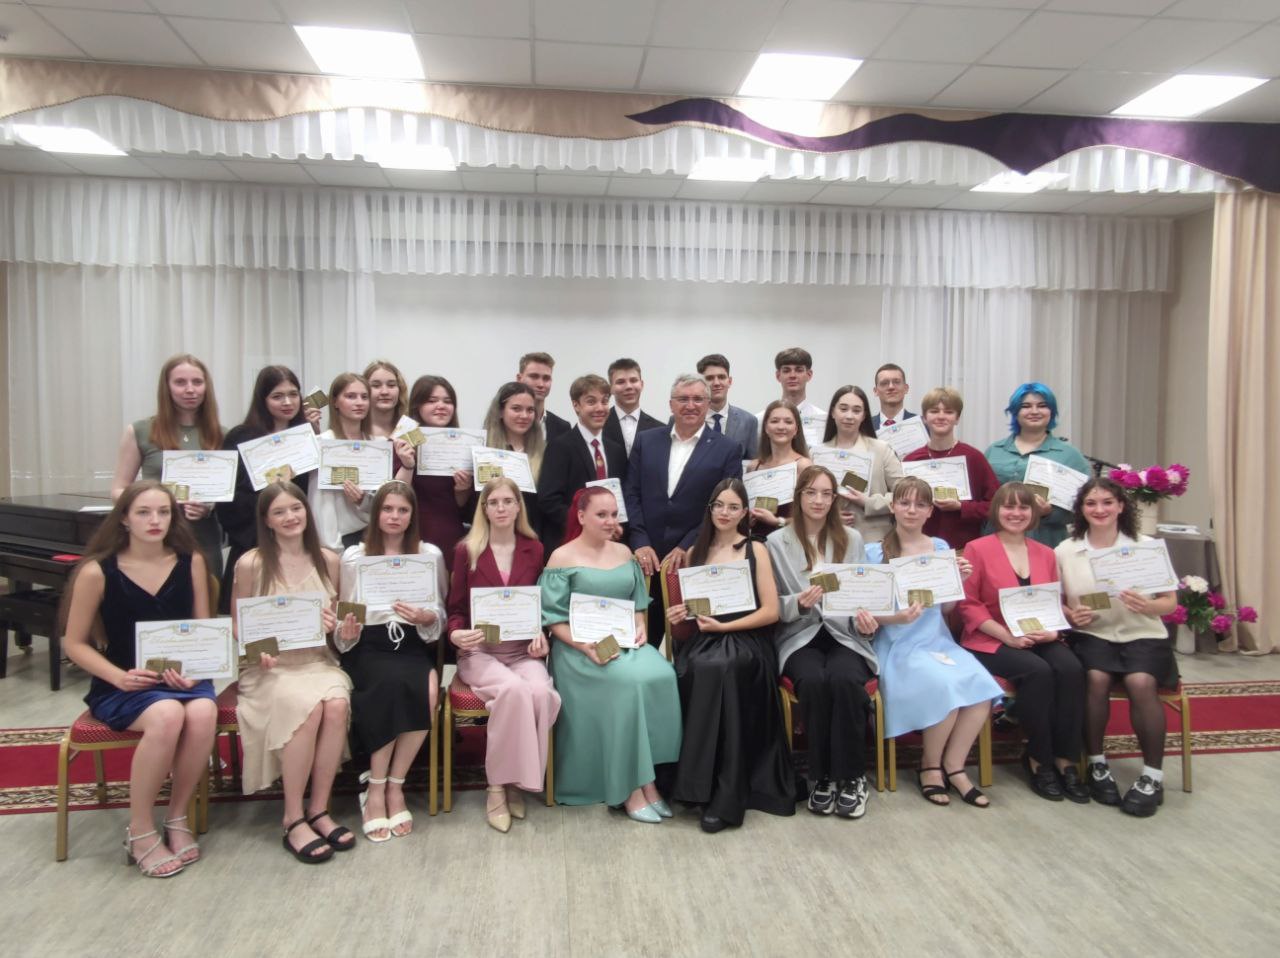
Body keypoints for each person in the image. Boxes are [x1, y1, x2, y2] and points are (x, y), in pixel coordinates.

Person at [62, 481, 217, 877]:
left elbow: (203, 631)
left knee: (202, 712)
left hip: (183, 676)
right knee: (167, 715)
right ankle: (141, 830)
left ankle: (177, 817)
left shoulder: (191, 561)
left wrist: (195, 672)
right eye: (144, 512)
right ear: (124, 519)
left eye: (163, 512)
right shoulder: (97, 571)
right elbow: (73, 643)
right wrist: (118, 677)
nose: (155, 520)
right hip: (123, 681)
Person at [539, 486, 681, 822]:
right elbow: (553, 619)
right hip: (578, 650)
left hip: (623, 641)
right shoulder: (561, 557)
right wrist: (583, 646)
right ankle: (630, 788)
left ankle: (648, 779)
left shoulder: (623, 552)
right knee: (627, 684)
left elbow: (638, 603)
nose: (610, 521)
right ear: (581, 516)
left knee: (663, 674)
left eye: (614, 514)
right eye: (601, 515)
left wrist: (640, 624)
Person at [231, 482, 355, 863]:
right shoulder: (251, 563)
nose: (290, 517)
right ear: (266, 521)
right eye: (279, 512)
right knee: (308, 707)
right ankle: (293, 817)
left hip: (318, 661)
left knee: (336, 703)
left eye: (296, 508)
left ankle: (319, 809)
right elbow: (237, 625)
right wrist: (260, 652)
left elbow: (344, 625)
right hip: (271, 669)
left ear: (307, 512)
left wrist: (341, 627)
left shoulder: (329, 560)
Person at [863, 478, 1001, 808]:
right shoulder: (873, 552)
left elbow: (948, 609)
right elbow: (868, 612)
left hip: (937, 642)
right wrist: (897, 618)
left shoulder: (940, 548)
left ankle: (954, 766)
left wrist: (959, 581)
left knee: (982, 686)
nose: (912, 510)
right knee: (946, 687)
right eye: (905, 503)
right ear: (893, 507)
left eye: (920, 504)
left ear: (930, 511)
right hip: (897, 644)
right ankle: (930, 766)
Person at [666, 479, 794, 833]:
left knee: (722, 668)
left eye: (733, 507)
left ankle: (725, 794)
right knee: (695, 668)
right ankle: (696, 786)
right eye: (719, 505)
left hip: (748, 638)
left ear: (745, 513)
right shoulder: (696, 552)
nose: (725, 512)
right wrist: (679, 615)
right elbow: (691, 615)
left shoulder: (756, 549)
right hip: (705, 638)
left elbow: (771, 612)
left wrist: (725, 628)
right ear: (710, 509)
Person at [1057, 477, 1178, 817]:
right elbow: (1056, 601)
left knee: (1141, 682)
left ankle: (1152, 776)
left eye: (1107, 502)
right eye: (1091, 503)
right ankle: (1097, 764)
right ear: (1081, 509)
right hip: (1093, 634)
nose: (1100, 509)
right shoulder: (1066, 550)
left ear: (1121, 506)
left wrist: (1149, 606)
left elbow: (1169, 602)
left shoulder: (1146, 546)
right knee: (1095, 678)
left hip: (1143, 633)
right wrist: (1070, 615)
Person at [959, 482, 1086, 802]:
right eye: (1008, 506)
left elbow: (1054, 602)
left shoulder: (1045, 553)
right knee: (1037, 672)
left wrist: (1055, 633)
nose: (1016, 513)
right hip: (991, 637)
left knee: (1071, 669)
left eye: (1023, 507)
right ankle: (1038, 758)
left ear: (1033, 513)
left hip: (1040, 633)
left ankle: (1065, 758)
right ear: (996, 511)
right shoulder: (977, 548)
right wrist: (1007, 637)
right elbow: (969, 605)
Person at [447, 478, 561, 833]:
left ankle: (517, 781)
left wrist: (542, 635)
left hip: (522, 651)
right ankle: (497, 786)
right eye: (493, 502)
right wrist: (456, 633)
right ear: (483, 508)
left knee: (541, 693)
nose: (500, 508)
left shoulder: (535, 549)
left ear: (517, 507)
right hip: (480, 651)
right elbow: (455, 609)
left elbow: (540, 606)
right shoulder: (467, 550)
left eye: (508, 501)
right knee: (512, 690)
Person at [336, 481, 447, 841]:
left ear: (412, 515)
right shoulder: (355, 557)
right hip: (368, 645)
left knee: (428, 691)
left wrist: (427, 618)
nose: (394, 516)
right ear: (376, 513)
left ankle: (394, 785)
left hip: (411, 644)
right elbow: (345, 614)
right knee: (386, 685)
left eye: (402, 510)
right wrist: (346, 631)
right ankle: (375, 789)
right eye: (387, 509)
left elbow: (439, 612)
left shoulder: (429, 554)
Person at [766, 465, 876, 819]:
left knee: (845, 679)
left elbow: (862, 595)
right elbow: (770, 602)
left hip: (845, 634)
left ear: (834, 499)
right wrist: (797, 602)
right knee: (813, 680)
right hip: (801, 634)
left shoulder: (851, 538)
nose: (818, 500)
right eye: (811, 492)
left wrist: (867, 624)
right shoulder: (776, 542)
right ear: (798, 496)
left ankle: (853, 777)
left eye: (826, 494)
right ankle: (823, 776)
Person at [624, 374, 744, 647]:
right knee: (643, 641)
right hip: (645, 560)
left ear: (708, 404)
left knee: (689, 643)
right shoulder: (646, 441)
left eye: (698, 399)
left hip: (695, 558)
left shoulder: (727, 449)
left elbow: (723, 506)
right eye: (683, 399)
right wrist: (640, 541)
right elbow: (631, 493)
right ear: (671, 404)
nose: (690, 405)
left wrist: (689, 543)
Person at [217, 365, 322, 612]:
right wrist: (269, 489)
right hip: (254, 544)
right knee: (257, 618)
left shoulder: (304, 437)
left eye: (293, 394)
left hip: (296, 546)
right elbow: (227, 499)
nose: (287, 402)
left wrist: (315, 436)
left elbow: (313, 493)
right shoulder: (240, 437)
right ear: (262, 400)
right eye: (277, 396)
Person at [110, 354, 225, 580]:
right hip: (155, 541)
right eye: (180, 382)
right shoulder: (140, 431)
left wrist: (209, 507)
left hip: (204, 540)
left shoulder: (223, 435)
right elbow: (118, 490)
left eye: (197, 382)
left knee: (206, 600)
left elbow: (231, 497)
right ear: (167, 387)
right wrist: (151, 506)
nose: (190, 389)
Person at [985, 382, 1091, 548]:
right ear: (1015, 411)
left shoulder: (1070, 455)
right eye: (1026, 406)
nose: (1034, 411)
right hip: (996, 539)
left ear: (1051, 411)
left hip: (1045, 541)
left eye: (1042, 406)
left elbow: (1085, 507)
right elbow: (981, 497)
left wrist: (1049, 513)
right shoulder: (994, 451)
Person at [902, 387, 1000, 552]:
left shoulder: (974, 458)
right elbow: (899, 505)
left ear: (957, 418)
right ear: (924, 418)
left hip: (963, 550)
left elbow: (997, 505)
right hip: (918, 550)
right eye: (934, 411)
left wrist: (962, 507)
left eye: (948, 412)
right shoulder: (911, 460)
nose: (941, 416)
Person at [538, 374, 627, 553]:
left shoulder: (616, 450)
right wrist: (588, 526)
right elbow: (549, 500)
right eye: (591, 402)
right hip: (571, 544)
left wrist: (614, 524)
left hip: (611, 543)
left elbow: (623, 497)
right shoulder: (560, 446)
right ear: (576, 405)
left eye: (604, 401)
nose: (600, 408)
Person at [309, 372, 390, 551]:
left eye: (364, 397)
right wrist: (333, 549)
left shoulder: (380, 445)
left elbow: (386, 500)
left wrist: (364, 500)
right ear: (335, 402)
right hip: (339, 542)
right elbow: (321, 504)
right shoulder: (323, 444)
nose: (359, 403)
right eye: (351, 396)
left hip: (376, 537)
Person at [817, 385, 903, 543]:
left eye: (856, 411)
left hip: (875, 541)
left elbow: (904, 494)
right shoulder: (818, 454)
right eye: (843, 409)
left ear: (864, 416)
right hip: (829, 540)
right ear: (833, 412)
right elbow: (807, 499)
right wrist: (829, 517)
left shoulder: (881, 449)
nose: (849, 416)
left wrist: (869, 503)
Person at [402, 374, 471, 570]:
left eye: (447, 401)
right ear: (417, 406)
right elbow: (396, 492)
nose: (441, 406)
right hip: (411, 534)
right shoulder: (404, 441)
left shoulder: (465, 445)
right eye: (432, 401)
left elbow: (461, 507)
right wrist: (407, 464)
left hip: (451, 534)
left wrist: (462, 489)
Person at [483, 381, 546, 536]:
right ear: (500, 412)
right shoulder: (483, 451)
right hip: (491, 536)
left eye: (530, 410)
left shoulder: (546, 453)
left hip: (532, 536)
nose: (524, 416)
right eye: (516, 409)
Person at [745, 400, 811, 533]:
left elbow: (811, 517)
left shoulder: (803, 466)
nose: (781, 427)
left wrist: (777, 521)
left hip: (790, 540)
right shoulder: (753, 467)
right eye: (775, 421)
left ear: (796, 429)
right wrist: (747, 520)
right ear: (766, 428)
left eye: (788, 422)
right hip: (757, 539)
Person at [757, 347, 826, 448]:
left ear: (809, 375)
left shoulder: (823, 420)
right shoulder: (761, 420)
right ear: (778, 376)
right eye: (786, 370)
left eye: (799, 370)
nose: (792, 375)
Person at [698, 353, 758, 458]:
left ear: (729, 381)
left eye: (721, 377)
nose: (716, 383)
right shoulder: (686, 419)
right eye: (710, 378)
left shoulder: (748, 421)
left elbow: (752, 462)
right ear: (700, 383)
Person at [603, 358, 664, 456]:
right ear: (611, 388)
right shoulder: (598, 426)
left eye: (633, 380)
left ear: (641, 385)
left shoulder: (660, 429)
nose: (628, 386)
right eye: (620, 382)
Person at [516, 351, 571, 442]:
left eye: (546, 378)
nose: (541, 384)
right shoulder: (503, 422)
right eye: (534, 377)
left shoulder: (562, 428)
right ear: (519, 379)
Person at [362, 360, 416, 439]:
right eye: (376, 386)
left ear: (400, 390)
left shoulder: (411, 428)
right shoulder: (355, 429)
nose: (385, 392)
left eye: (391, 385)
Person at [870, 363, 916, 430]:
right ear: (875, 391)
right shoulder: (865, 427)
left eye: (896, 382)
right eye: (884, 383)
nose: (891, 387)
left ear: (906, 388)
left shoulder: (921, 424)